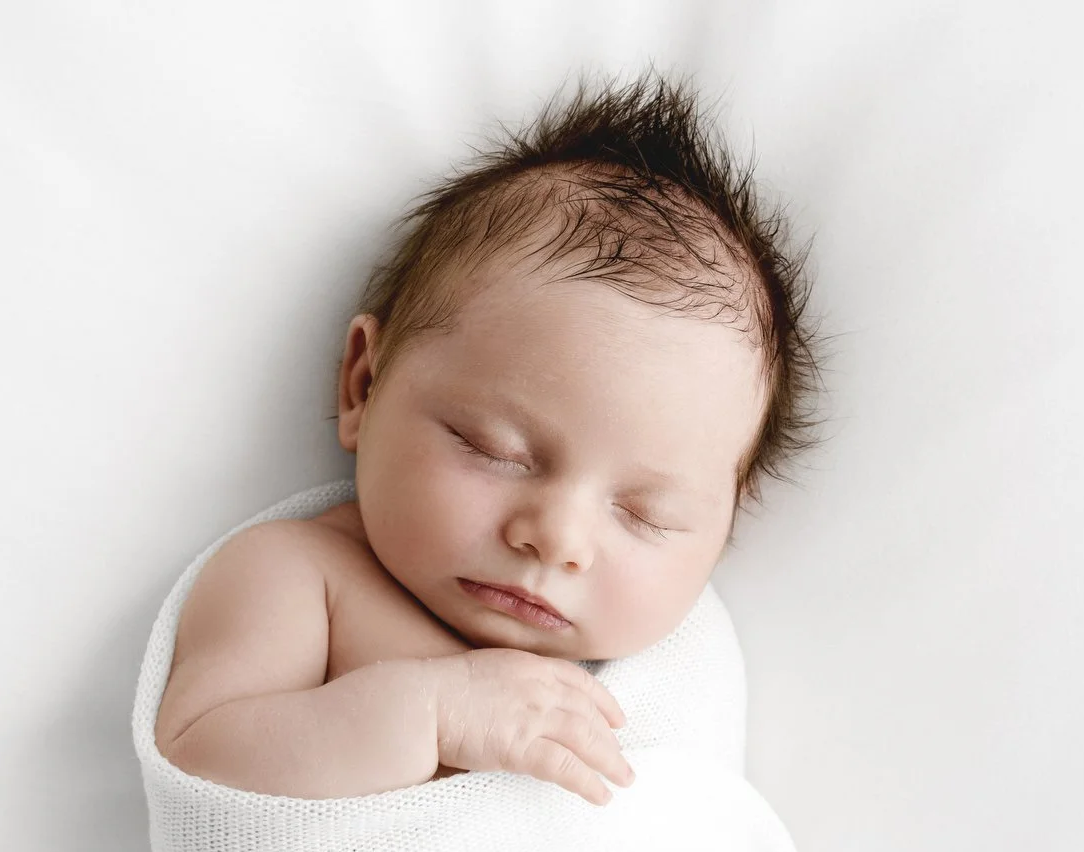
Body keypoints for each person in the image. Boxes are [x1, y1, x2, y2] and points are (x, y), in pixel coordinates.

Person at [151, 70, 820, 809]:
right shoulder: (301, 577)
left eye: (644, 513)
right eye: (496, 451)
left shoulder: (682, 662)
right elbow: (199, 762)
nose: (556, 538)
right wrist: (432, 714)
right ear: (363, 386)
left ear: (729, 519)